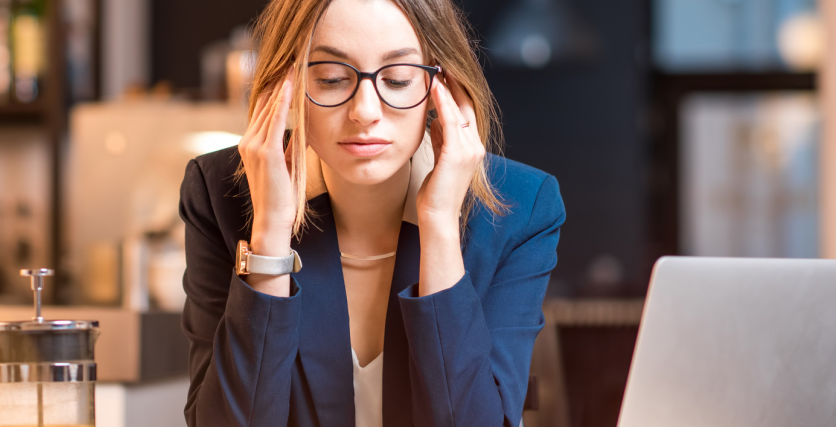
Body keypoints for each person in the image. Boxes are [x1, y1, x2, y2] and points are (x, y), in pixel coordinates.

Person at [178, 0, 565, 425]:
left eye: (397, 80)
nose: (364, 112)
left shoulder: (521, 207)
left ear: (443, 87)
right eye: (331, 79)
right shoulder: (218, 193)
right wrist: (269, 235)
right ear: (286, 84)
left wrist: (438, 224)